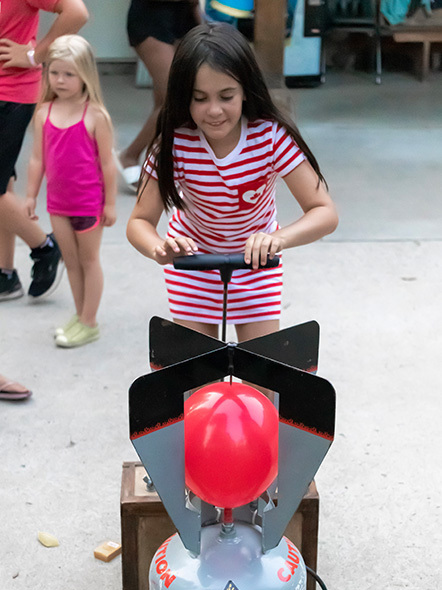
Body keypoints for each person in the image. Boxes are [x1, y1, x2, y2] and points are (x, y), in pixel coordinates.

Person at [126, 22, 338, 344]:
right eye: (199, 98)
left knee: (262, 375)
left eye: (227, 96)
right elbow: (139, 221)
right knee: (195, 377)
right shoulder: (174, 142)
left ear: (245, 90)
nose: (214, 111)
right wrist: (159, 248)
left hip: (256, 265)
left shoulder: (270, 137)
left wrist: (277, 240)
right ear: (184, 97)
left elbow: (324, 212)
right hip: (193, 264)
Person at [26, 35, 117, 348]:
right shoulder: (43, 113)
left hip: (88, 204)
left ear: (85, 76)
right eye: (54, 72)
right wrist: (29, 195)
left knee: (89, 261)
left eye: (69, 74)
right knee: (71, 261)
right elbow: (37, 159)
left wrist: (111, 205)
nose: (60, 80)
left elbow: (108, 164)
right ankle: (81, 316)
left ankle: (89, 322)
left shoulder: (95, 116)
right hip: (57, 204)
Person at [0, 0, 89, 301]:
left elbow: (76, 11)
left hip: (10, 95)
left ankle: (45, 248)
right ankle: (5, 274)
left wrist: (34, 55)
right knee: (4, 183)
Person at [117, 0, 201, 191]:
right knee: (175, 97)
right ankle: (130, 155)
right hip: (151, 21)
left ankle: (156, 163)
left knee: (165, 101)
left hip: (184, 19)